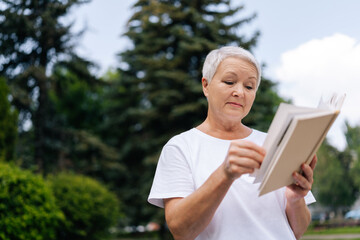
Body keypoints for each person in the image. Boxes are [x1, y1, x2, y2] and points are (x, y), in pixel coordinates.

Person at [148, 46, 317, 240]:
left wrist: (295, 199)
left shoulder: (275, 144)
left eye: (249, 86)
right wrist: (225, 174)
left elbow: (297, 231)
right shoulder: (180, 147)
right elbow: (181, 230)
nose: (240, 92)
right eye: (229, 82)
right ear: (206, 85)